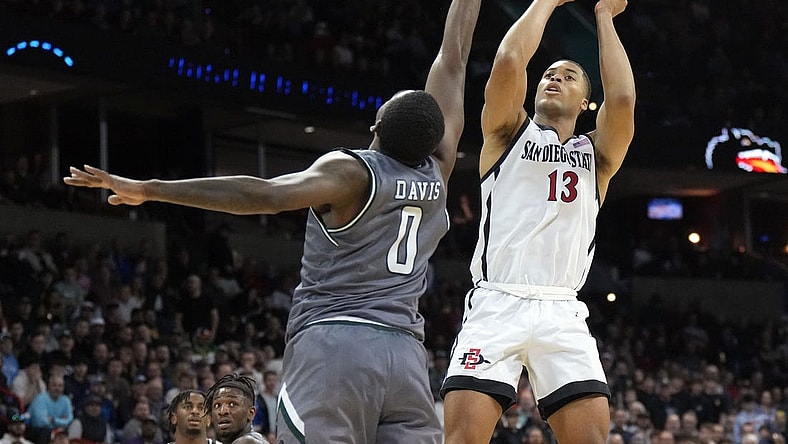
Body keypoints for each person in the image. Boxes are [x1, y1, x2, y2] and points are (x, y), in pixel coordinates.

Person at [63, 0, 482, 441]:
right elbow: (452, 57)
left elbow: (261, 194)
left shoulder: (352, 174)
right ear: (436, 137)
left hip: (334, 346)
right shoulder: (440, 167)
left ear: (376, 124)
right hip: (407, 357)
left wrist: (150, 189)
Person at [439, 0, 636, 443]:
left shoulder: (597, 157)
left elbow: (622, 99)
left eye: (569, 77)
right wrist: (547, 2)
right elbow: (510, 60)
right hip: (496, 303)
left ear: (586, 103)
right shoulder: (508, 131)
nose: (554, 78)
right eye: (549, 73)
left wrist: (604, 16)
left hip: (562, 309)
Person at [203, 374, 266, 444]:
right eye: (217, 405)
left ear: (251, 413)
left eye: (232, 404)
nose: (222, 411)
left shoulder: (246, 442)